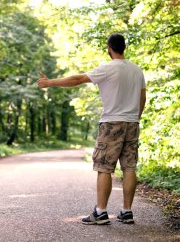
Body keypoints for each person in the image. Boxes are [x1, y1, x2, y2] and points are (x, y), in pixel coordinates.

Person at [37, 33, 146, 225]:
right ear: (124, 47)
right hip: (132, 123)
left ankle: (101, 212)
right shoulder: (137, 70)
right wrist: (135, 118)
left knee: (104, 167)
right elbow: (142, 97)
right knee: (129, 167)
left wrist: (49, 83)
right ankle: (127, 212)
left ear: (109, 48)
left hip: (112, 123)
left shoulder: (107, 68)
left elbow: (77, 79)